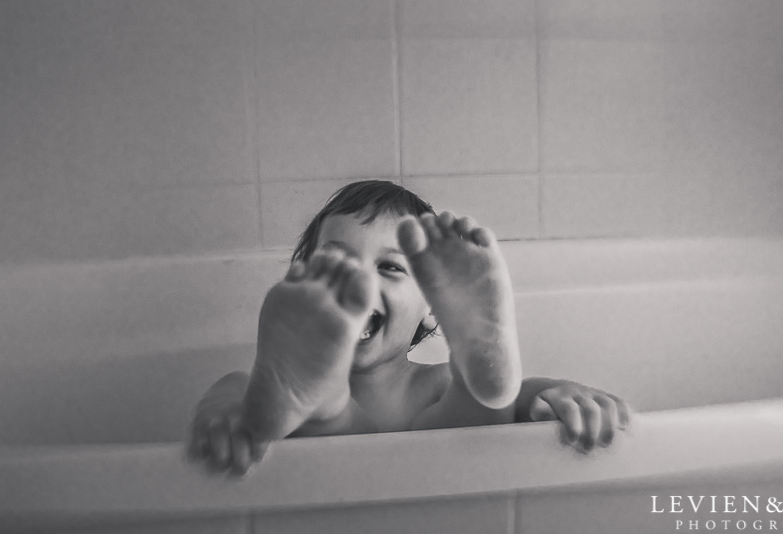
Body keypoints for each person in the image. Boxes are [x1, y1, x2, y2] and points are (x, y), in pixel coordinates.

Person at [188, 180, 631, 475]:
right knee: (278, 405)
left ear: (433, 308)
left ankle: (476, 373)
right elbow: (232, 389)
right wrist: (229, 413)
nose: (361, 283)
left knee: (483, 407)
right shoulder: (273, 387)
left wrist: (553, 392)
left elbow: (521, 400)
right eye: (339, 262)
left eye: (389, 267)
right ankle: (322, 402)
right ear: (300, 291)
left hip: (445, 495)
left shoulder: (434, 384)